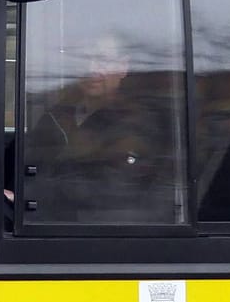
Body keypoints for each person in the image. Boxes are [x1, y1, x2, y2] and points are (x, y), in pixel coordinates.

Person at [25, 35, 181, 223]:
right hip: (41, 222)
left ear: (123, 67)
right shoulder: (56, 116)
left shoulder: (137, 122)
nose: (92, 69)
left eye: (103, 60)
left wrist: (34, 196)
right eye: (83, 59)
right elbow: (31, 165)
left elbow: (110, 189)